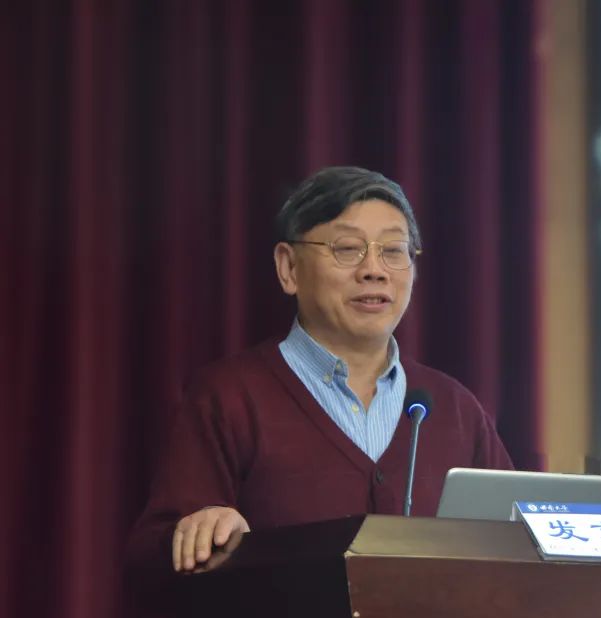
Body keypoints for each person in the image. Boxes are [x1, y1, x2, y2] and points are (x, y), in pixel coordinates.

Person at [127, 166, 514, 578]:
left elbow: (521, 545)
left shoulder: (453, 408)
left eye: (393, 251)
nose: (374, 270)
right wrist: (205, 534)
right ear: (289, 268)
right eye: (347, 249)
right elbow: (150, 561)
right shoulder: (228, 397)